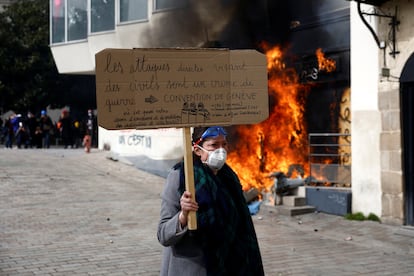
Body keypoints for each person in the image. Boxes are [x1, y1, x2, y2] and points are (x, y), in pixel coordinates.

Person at [157, 126, 264, 276]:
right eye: (214, 145)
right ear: (197, 150)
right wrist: (183, 216)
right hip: (195, 268)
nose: (221, 150)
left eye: (224, 144)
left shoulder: (228, 178)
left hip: (230, 265)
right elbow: (163, 235)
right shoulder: (180, 178)